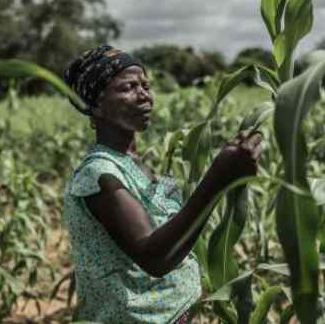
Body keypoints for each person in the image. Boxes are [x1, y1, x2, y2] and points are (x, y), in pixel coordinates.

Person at [63, 45, 262, 323]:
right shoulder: (100, 174)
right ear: (96, 104)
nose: (144, 95)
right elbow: (155, 258)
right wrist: (218, 179)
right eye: (129, 87)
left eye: (146, 85)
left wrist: (228, 174)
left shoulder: (139, 166)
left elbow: (177, 227)